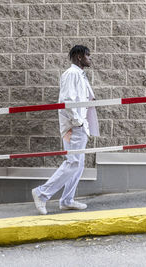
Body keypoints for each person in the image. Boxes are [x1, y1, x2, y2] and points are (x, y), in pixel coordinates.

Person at [31, 45, 100, 215]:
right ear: (79, 57)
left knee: (78, 164)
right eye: (88, 55)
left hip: (80, 126)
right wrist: (78, 123)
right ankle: (42, 193)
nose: (90, 58)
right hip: (74, 127)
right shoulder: (71, 74)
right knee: (73, 163)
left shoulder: (79, 75)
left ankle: (67, 200)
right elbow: (67, 100)